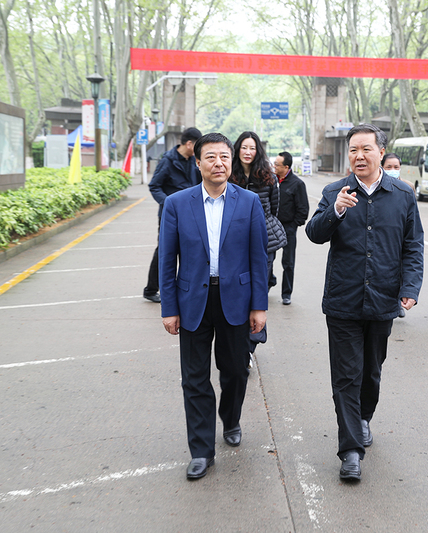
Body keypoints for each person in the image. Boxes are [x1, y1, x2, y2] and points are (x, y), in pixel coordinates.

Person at [306, 123, 424, 481]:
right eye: (353, 150)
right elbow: (314, 234)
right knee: (346, 376)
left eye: (366, 149)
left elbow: (413, 245)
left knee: (371, 372)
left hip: (383, 298)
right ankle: (351, 450)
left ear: (381, 153)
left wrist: (410, 286)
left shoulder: (402, 195)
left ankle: (363, 418)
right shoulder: (333, 192)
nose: (359, 156)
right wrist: (336, 211)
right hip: (343, 299)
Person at [159, 132, 268, 480]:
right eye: (211, 157)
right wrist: (168, 307)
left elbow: (258, 257)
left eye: (224, 157)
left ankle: (231, 418)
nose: (218, 163)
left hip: (236, 298)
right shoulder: (177, 203)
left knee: (235, 371)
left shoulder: (249, 202)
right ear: (198, 161)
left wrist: (259, 306)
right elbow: (167, 259)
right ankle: (201, 450)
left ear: (231, 161)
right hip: (193, 300)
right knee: (194, 378)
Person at [143, 127, 202, 303]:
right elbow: (154, 186)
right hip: (170, 215)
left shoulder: (193, 161)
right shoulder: (168, 160)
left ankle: (185, 288)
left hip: (190, 213)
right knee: (164, 251)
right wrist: (169, 204)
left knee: (190, 250)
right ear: (189, 144)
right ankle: (151, 289)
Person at [231, 132, 287, 292]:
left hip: (264, 235)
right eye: (244, 148)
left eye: (252, 148)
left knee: (260, 279)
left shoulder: (268, 176)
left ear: (258, 151)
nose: (247, 152)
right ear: (237, 149)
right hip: (236, 234)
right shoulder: (229, 176)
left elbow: (274, 207)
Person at [272, 151, 309, 305]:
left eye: (277, 165)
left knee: (288, 263)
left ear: (286, 167)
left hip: (288, 228)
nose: (274, 167)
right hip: (272, 226)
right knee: (266, 259)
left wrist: (294, 225)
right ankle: (268, 283)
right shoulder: (272, 181)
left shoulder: (297, 184)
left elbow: (303, 210)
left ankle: (286, 293)